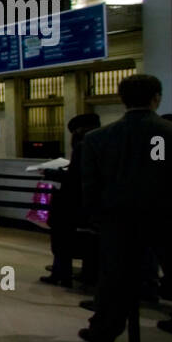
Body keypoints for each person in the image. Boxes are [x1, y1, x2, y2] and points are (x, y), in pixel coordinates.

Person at [78, 74, 172, 342]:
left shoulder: (98, 139)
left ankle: (104, 333)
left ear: (121, 99)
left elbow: (91, 188)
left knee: (115, 283)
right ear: (157, 98)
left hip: (120, 223)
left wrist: (100, 220)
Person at [40, 113, 101, 288]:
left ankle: (62, 274)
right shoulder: (101, 143)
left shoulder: (83, 146)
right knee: (87, 242)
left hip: (70, 203)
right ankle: (84, 275)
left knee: (62, 239)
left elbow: (75, 177)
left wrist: (52, 173)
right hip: (88, 203)